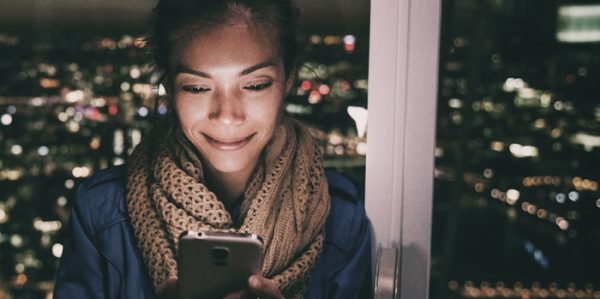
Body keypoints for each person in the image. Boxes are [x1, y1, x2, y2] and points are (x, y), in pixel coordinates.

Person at [54, 0, 372, 298]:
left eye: (256, 84)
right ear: (169, 88)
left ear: (288, 81)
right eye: (197, 87)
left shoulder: (341, 218)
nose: (227, 115)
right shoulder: (102, 212)